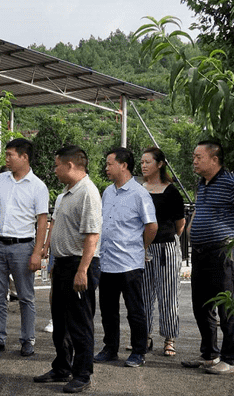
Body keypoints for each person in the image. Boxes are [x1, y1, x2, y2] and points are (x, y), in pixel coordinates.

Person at [182, 140, 234, 375]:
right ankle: (209, 354)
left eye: (199, 157)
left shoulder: (231, 181)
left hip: (222, 252)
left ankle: (229, 359)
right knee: (202, 306)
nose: (195, 161)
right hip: (200, 252)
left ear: (214, 159)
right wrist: (193, 227)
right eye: (194, 157)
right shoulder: (203, 182)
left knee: (226, 306)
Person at [34, 145, 101, 393]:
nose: (55, 170)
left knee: (80, 322)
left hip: (79, 264)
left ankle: (83, 374)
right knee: (60, 321)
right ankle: (62, 366)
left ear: (70, 165)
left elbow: (92, 236)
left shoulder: (88, 193)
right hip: (62, 264)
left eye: (56, 165)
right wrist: (50, 256)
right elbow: (56, 227)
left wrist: (82, 270)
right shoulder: (65, 193)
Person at [0, 138, 49, 357]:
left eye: (10, 155)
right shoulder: (0, 180)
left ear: (24, 157)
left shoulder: (38, 186)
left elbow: (42, 222)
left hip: (23, 246)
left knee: (26, 297)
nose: (6, 159)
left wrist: (37, 252)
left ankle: (27, 340)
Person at [94, 147, 158, 368]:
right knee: (108, 310)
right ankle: (110, 348)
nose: (106, 168)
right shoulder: (107, 192)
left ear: (123, 165)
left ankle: (138, 351)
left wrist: (140, 247)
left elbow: (151, 226)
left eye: (110, 163)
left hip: (130, 263)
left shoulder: (140, 194)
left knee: (135, 310)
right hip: (108, 261)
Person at [139, 147, 185, 357]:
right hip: (142, 248)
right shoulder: (139, 189)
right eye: (142, 162)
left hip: (166, 247)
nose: (143, 165)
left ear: (159, 164)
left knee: (168, 294)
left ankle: (169, 338)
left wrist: (166, 239)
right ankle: (144, 336)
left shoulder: (171, 191)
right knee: (144, 294)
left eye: (148, 162)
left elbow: (180, 225)